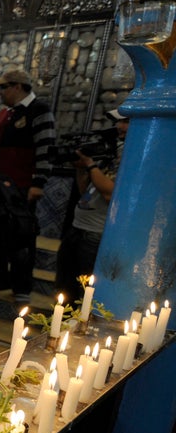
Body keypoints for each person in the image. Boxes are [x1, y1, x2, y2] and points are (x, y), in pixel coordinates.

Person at [0, 69, 56, 302]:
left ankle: (22, 287)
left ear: (17, 87)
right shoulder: (7, 114)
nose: (0, 92)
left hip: (23, 186)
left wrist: (38, 182)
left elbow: (45, 148)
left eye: (4, 87)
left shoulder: (39, 110)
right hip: (1, 186)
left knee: (22, 237)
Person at [54, 109, 127, 304]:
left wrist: (90, 164)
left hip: (95, 231)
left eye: (126, 122)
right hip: (78, 226)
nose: (119, 126)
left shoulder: (128, 156)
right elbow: (85, 190)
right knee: (65, 285)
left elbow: (109, 192)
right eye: (118, 122)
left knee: (84, 290)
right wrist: (82, 168)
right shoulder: (111, 152)